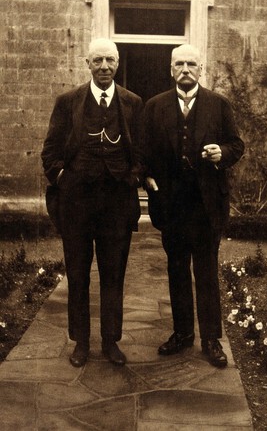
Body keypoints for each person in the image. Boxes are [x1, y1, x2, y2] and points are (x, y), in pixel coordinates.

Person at [41, 38, 145, 367]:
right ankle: (81, 342)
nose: (104, 66)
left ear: (118, 64)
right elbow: (50, 151)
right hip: (76, 205)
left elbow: (142, 152)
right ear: (87, 64)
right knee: (78, 275)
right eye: (97, 60)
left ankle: (111, 341)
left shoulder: (132, 103)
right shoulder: (68, 101)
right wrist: (62, 180)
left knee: (113, 275)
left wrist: (133, 176)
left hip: (116, 204)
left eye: (109, 60)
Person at [144, 44, 244, 367]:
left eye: (191, 64)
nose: (185, 70)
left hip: (206, 207)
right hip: (171, 206)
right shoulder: (155, 107)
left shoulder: (219, 105)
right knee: (176, 271)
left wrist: (222, 154)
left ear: (201, 69)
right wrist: (146, 178)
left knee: (206, 273)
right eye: (179, 64)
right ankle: (183, 333)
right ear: (171, 70)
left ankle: (211, 339)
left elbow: (237, 145)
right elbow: (142, 151)